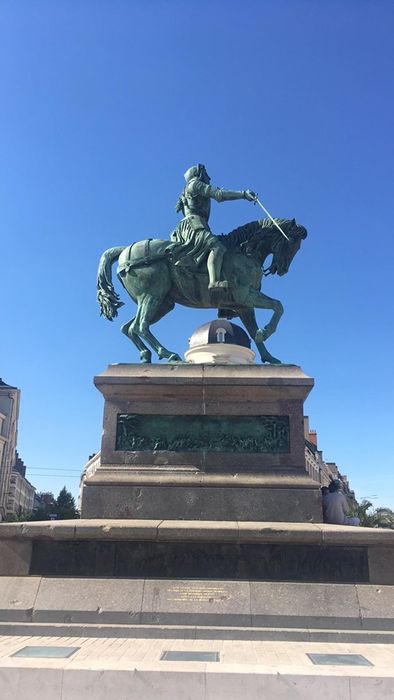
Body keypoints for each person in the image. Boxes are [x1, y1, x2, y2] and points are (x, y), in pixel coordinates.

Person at [169, 164, 256, 291]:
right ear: (199, 174)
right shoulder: (195, 185)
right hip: (194, 224)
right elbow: (219, 195)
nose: (208, 177)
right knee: (217, 247)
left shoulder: (186, 189)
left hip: (189, 225)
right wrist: (243, 194)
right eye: (205, 174)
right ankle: (214, 281)